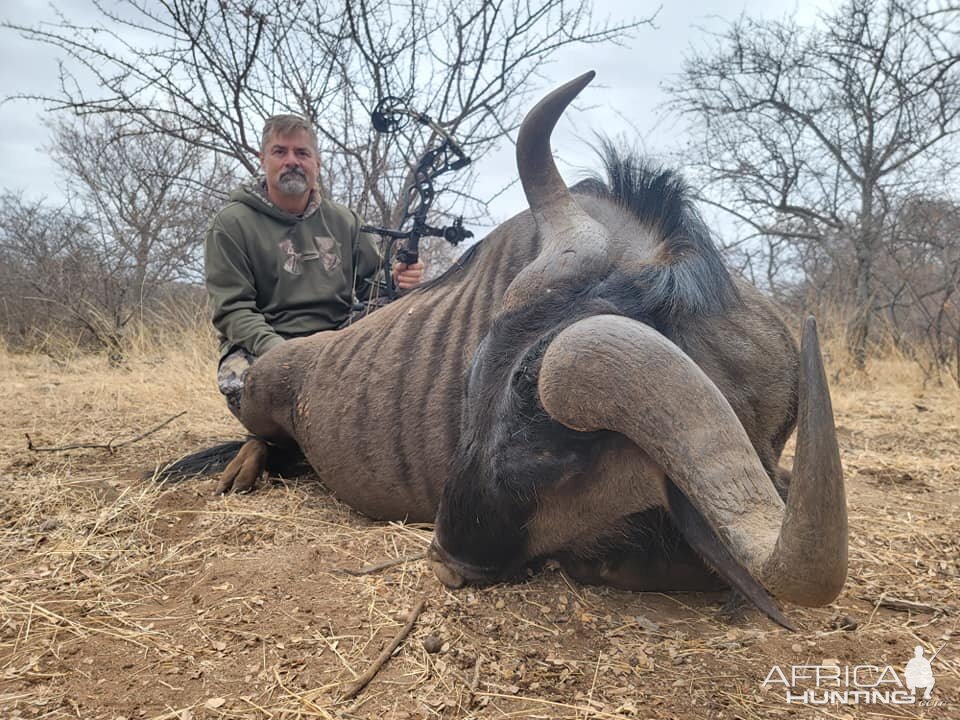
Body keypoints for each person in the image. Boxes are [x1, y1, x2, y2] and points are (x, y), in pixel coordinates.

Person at [205, 114, 424, 417]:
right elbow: (233, 310)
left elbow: (372, 288)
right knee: (255, 395)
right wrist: (283, 353)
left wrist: (400, 280)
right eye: (280, 152)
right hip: (268, 345)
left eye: (302, 153)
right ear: (262, 159)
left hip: (336, 340)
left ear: (317, 164)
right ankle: (270, 439)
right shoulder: (231, 224)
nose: (291, 161)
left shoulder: (343, 220)